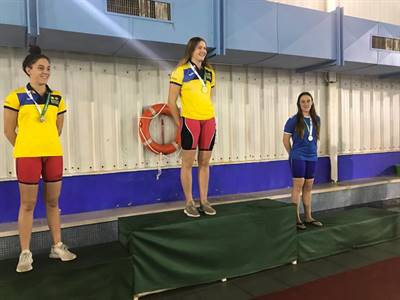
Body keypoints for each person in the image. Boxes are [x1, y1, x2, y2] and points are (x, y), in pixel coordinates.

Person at [3, 45, 77, 272]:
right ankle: (25, 253)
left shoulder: (57, 98)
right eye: (40, 68)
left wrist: (45, 144)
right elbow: (8, 130)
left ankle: (57, 246)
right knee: (28, 204)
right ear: (28, 70)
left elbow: (58, 129)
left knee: (53, 202)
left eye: (48, 68)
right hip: (27, 155)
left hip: (53, 153)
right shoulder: (15, 96)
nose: (45, 72)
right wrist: (26, 147)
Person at [168, 37, 217, 217]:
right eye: (199, 48)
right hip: (189, 121)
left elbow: (209, 97)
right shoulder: (179, 72)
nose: (203, 51)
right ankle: (189, 202)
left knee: (205, 162)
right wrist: (179, 123)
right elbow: (171, 102)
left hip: (209, 120)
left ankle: (204, 201)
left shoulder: (211, 73)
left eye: (204, 48)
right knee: (187, 163)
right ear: (191, 50)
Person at [283, 92, 323, 230]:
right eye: (303, 101)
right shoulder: (293, 120)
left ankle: (308, 217)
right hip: (298, 157)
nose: (306, 104)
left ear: (312, 103)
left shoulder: (316, 119)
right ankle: (296, 218)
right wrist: (292, 154)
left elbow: (315, 137)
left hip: (312, 157)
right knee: (298, 187)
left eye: (308, 101)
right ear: (299, 104)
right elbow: (285, 140)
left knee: (308, 187)